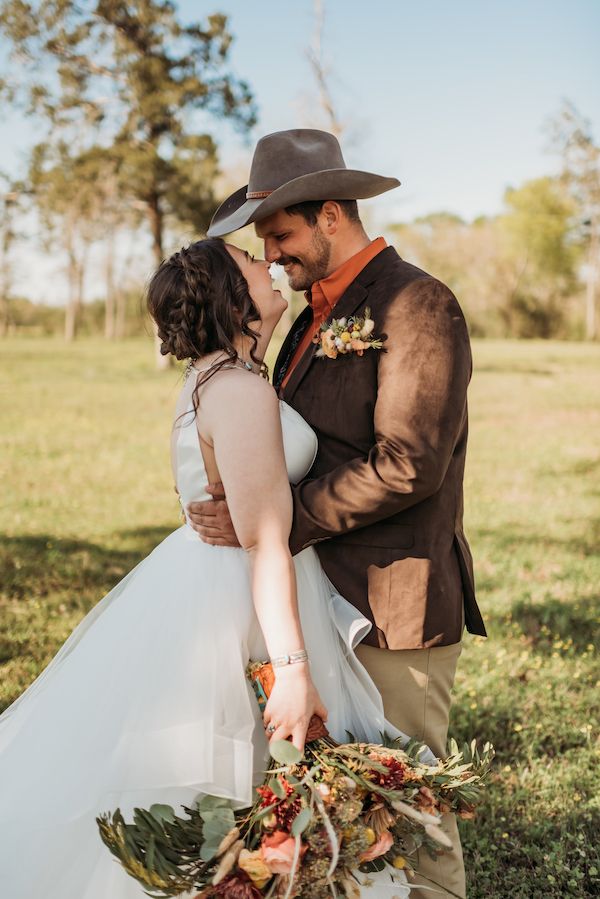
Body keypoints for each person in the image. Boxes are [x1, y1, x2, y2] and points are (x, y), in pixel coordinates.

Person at [0, 236, 417, 898]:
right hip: (244, 604)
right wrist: (293, 668)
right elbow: (263, 541)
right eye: (255, 264)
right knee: (243, 787)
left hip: (210, 581)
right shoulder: (239, 389)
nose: (272, 266)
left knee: (254, 796)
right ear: (232, 299)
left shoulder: (210, 379)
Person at [189, 128, 488, 899]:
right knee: (344, 823)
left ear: (330, 215)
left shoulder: (417, 302)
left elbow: (410, 462)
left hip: (395, 603)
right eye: (265, 242)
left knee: (411, 812)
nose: (274, 252)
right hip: (323, 602)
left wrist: (276, 520)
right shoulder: (308, 316)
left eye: (281, 234)